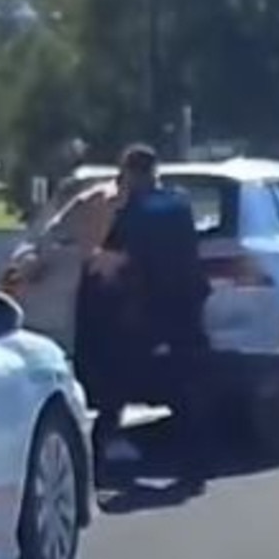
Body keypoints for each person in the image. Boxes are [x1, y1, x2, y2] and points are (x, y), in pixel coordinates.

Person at [76, 144, 211, 489]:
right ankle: (194, 465)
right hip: (185, 308)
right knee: (187, 388)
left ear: (132, 175)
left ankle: (101, 456)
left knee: (116, 387)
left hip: (144, 312)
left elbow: (117, 260)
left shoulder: (133, 213)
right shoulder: (178, 206)